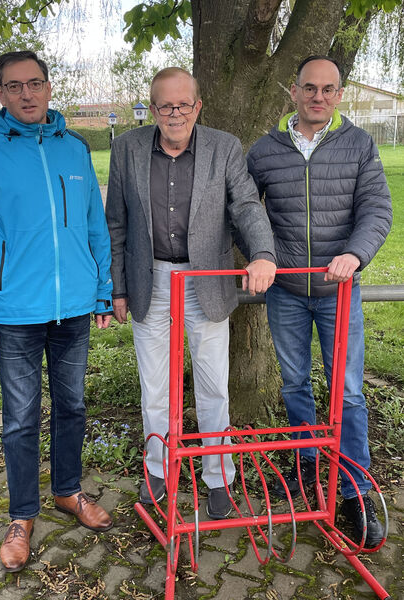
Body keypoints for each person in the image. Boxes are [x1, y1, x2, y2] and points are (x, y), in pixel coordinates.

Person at [0, 51, 114, 572]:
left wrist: (103, 291)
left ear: (49, 87)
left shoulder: (75, 148)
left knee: (72, 408)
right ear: (1, 93)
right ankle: (21, 516)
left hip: (72, 310)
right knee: (21, 420)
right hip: (14, 312)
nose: (26, 94)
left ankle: (68, 491)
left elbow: (95, 226)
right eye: (14, 86)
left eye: (35, 84)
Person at [106, 67, 276, 519]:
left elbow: (244, 205)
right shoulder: (127, 148)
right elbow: (116, 223)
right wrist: (117, 288)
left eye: (184, 104)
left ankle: (218, 478)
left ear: (198, 106)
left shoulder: (223, 147)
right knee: (154, 387)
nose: (175, 113)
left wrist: (261, 253)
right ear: (153, 107)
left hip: (207, 280)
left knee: (213, 385)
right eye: (166, 105)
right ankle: (158, 472)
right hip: (151, 279)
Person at [246, 55, 392, 546]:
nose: (319, 98)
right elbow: (245, 211)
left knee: (347, 390)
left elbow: (377, 208)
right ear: (293, 90)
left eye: (329, 90)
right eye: (310, 88)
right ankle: (308, 466)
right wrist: (260, 255)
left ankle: (353, 485)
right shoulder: (265, 150)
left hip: (338, 291)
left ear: (339, 94)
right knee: (294, 385)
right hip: (286, 290)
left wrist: (355, 253)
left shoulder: (358, 144)